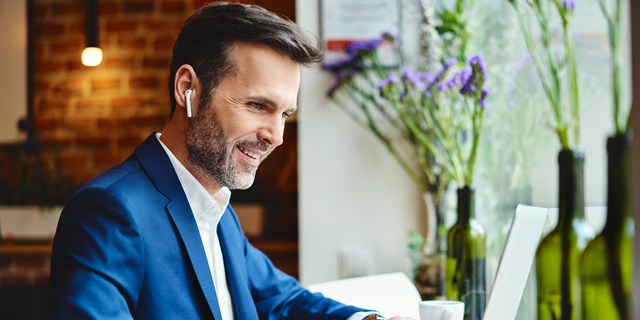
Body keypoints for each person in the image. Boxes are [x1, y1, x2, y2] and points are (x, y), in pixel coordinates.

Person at [42, 2, 415, 320]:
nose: (276, 136)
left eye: (284, 115)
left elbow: (279, 298)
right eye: (257, 105)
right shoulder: (109, 212)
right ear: (188, 88)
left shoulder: (216, 206)